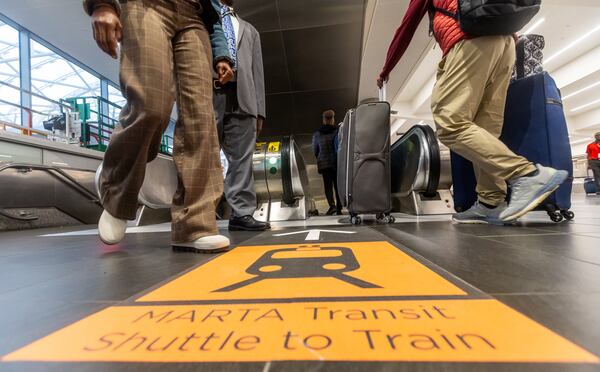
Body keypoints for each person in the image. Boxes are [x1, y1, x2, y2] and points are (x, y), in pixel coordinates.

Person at [376, 0, 568, 224]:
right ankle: (491, 203)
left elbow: (406, 28)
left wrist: (386, 68)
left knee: (450, 124)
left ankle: (526, 175)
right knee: (486, 131)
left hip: (471, 42)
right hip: (505, 45)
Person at [84, 0, 235, 252]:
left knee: (202, 122)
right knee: (150, 104)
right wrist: (102, 4)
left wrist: (222, 54)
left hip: (195, 17)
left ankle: (195, 225)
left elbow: (216, 8)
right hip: (146, 5)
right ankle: (117, 196)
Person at [214, 0, 270, 231]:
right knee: (204, 156)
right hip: (211, 91)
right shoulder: (205, 17)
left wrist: (260, 112)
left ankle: (241, 213)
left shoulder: (250, 30)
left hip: (243, 98)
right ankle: (200, 211)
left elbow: (258, 72)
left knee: (242, 159)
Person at [312, 110, 342, 216]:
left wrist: (320, 158)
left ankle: (332, 206)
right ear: (333, 119)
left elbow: (315, 150)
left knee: (328, 186)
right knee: (338, 185)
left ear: (324, 120)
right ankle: (339, 207)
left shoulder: (317, 134)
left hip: (324, 164)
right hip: (336, 163)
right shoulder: (338, 131)